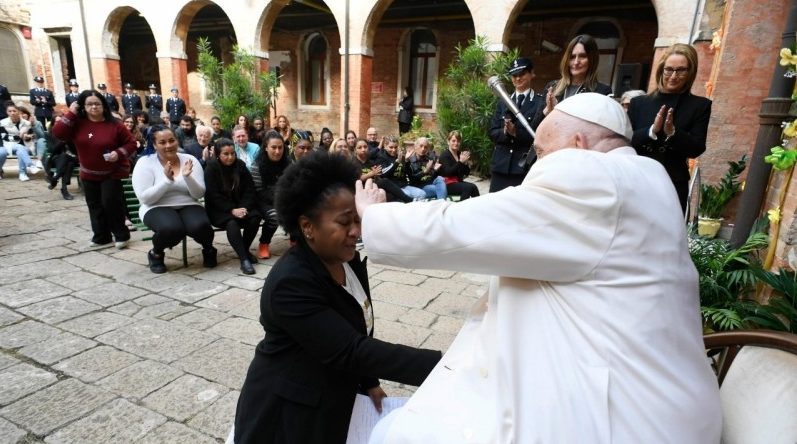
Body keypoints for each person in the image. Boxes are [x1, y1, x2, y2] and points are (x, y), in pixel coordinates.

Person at [356, 93, 722, 443]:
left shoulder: (596, 178)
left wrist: (375, 216)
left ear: (578, 144)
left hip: (623, 416)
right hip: (659, 397)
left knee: (404, 432)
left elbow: (466, 228)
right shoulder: (647, 176)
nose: (537, 164)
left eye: (543, 153)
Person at [232, 150, 442, 444]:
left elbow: (355, 324)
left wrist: (369, 382)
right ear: (308, 227)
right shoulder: (291, 283)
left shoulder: (347, 260)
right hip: (288, 415)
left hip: (333, 397)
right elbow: (351, 349)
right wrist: (445, 367)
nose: (355, 231)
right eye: (345, 223)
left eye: (357, 219)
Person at [628, 43, 711, 213]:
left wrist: (673, 133)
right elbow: (625, 141)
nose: (673, 76)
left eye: (681, 70)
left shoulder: (700, 106)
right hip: (638, 180)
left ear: (690, 73)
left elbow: (697, 147)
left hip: (673, 182)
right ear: (661, 70)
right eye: (669, 69)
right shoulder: (639, 103)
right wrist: (651, 131)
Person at [52, 90, 135, 248]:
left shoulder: (115, 124)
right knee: (94, 205)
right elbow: (58, 133)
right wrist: (71, 113)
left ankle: (121, 235)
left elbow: (130, 143)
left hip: (111, 172)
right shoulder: (77, 123)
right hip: (88, 172)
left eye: (97, 103)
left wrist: (118, 153)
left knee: (110, 203)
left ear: (104, 105)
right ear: (83, 106)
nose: (94, 107)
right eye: (89, 104)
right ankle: (101, 236)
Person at [131, 125, 216, 273]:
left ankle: (208, 250)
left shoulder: (189, 160)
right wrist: (167, 181)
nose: (168, 145)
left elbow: (198, 194)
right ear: (154, 145)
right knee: (171, 228)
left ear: (177, 140)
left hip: (188, 203)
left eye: (171, 140)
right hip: (155, 206)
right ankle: (156, 253)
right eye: (162, 142)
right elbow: (145, 198)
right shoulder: (145, 163)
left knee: (201, 226)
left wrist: (187, 177)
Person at [204, 138, 262, 275]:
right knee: (232, 223)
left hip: (240, 206)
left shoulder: (240, 165)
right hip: (219, 209)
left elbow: (250, 189)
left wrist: (244, 207)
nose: (230, 157)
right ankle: (244, 259)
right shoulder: (211, 168)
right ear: (218, 154)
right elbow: (213, 195)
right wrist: (231, 210)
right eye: (226, 154)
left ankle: (244, 249)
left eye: (232, 153)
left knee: (255, 217)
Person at [488, 57, 544, 192]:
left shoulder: (539, 103)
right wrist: (506, 133)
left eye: (522, 74)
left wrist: (516, 133)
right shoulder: (503, 102)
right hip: (501, 167)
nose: (517, 79)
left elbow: (540, 135)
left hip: (523, 169)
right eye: (514, 75)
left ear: (532, 74)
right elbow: (492, 132)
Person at [534, 34, 613, 129]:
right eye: (572, 57)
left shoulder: (601, 92)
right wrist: (547, 110)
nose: (576, 62)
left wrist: (557, 113)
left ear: (592, 59)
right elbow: (534, 128)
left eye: (582, 56)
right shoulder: (552, 86)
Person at [250, 131, 288, 260]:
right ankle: (264, 243)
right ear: (266, 147)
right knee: (274, 216)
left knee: (302, 209)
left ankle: (295, 239)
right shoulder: (257, 165)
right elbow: (258, 191)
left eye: (280, 147)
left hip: (284, 198)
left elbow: (294, 183)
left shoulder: (288, 163)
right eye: (273, 147)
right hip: (263, 201)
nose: (277, 151)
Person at [376, 135, 425, 201]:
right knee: (407, 194)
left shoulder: (401, 156)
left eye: (395, 147)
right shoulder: (381, 156)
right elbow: (383, 174)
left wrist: (407, 161)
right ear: (385, 146)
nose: (394, 150)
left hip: (403, 185)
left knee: (422, 194)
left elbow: (409, 174)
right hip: (393, 188)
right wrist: (396, 163)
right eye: (391, 147)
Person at [0, 102, 38, 181]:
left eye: (14, 111)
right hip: (7, 144)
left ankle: (22, 173)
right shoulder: (2, 123)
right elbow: (4, 136)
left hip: (25, 145)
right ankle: (30, 166)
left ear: (18, 112)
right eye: (10, 111)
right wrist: (18, 136)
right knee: (2, 152)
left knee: (21, 148)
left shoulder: (26, 123)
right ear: (7, 113)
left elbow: (31, 136)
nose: (12, 113)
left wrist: (27, 137)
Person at [438, 130, 480, 200]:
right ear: (448, 142)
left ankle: (478, 208)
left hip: (457, 182)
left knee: (474, 187)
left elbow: (466, 174)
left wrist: (465, 163)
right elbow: (448, 173)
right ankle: (461, 209)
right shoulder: (444, 155)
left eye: (458, 141)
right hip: (447, 184)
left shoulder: (459, 154)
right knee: (468, 188)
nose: (456, 143)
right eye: (453, 141)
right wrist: (460, 162)